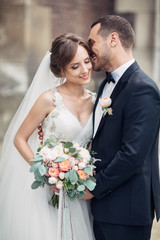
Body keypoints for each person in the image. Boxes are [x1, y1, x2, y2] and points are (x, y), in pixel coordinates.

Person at [0, 33, 96, 240]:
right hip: (46, 188)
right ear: (60, 69)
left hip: (78, 187)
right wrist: (47, 175)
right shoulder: (49, 99)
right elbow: (19, 138)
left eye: (87, 61)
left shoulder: (97, 102)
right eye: (74, 66)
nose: (85, 70)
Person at [82, 15, 160, 240]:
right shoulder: (105, 83)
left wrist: (94, 187)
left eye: (92, 42)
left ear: (113, 39)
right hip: (103, 208)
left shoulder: (143, 88)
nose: (89, 51)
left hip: (126, 212)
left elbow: (132, 155)